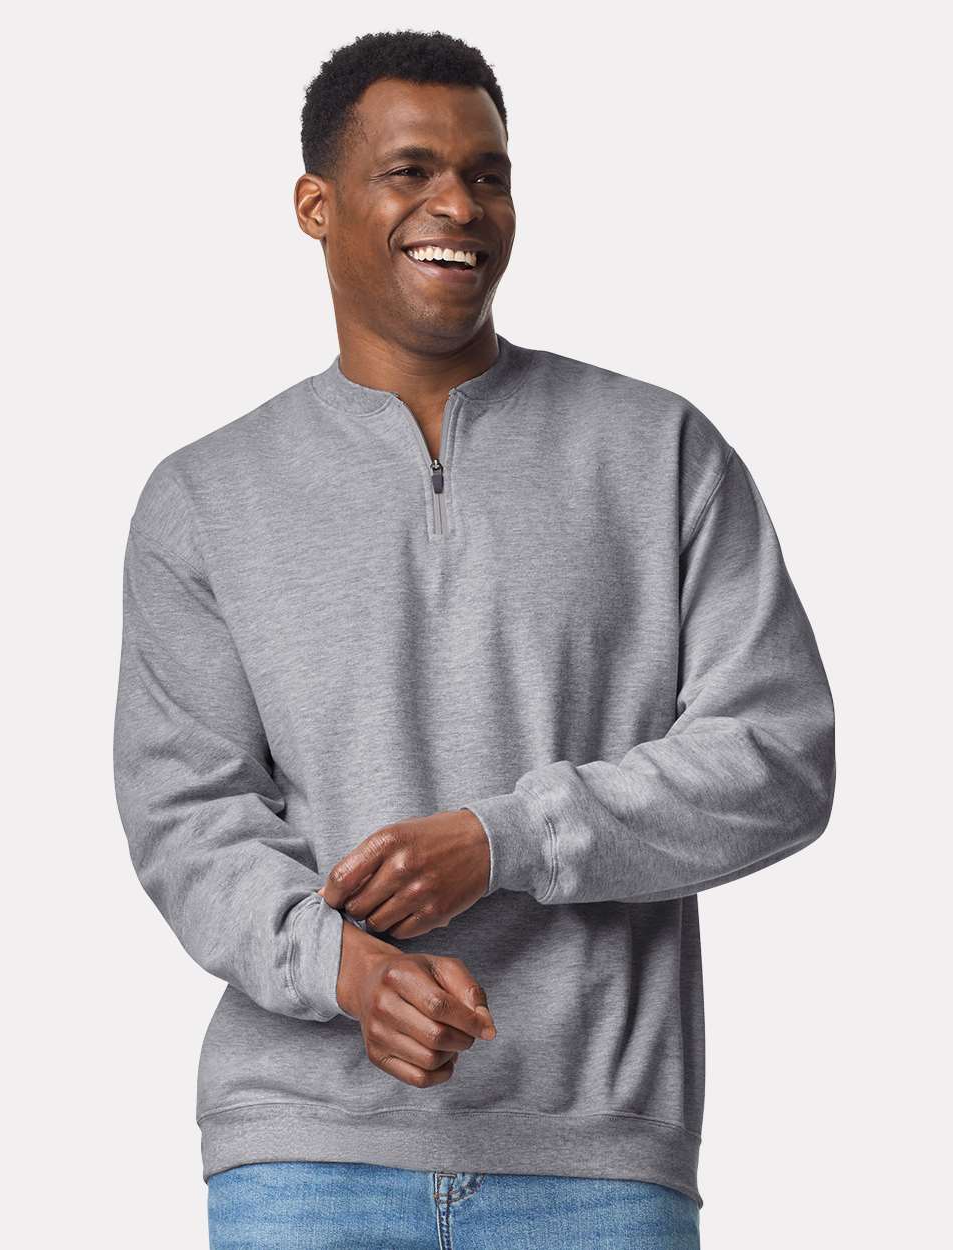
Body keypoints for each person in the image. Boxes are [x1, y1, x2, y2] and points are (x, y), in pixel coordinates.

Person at [112, 28, 836, 1250]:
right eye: (411, 171)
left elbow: (778, 757)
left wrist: (503, 839)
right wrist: (348, 969)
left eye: (487, 174)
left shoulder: (658, 451)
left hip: (596, 1156)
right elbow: (188, 819)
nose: (458, 203)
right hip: (303, 1157)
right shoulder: (204, 497)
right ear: (316, 205)